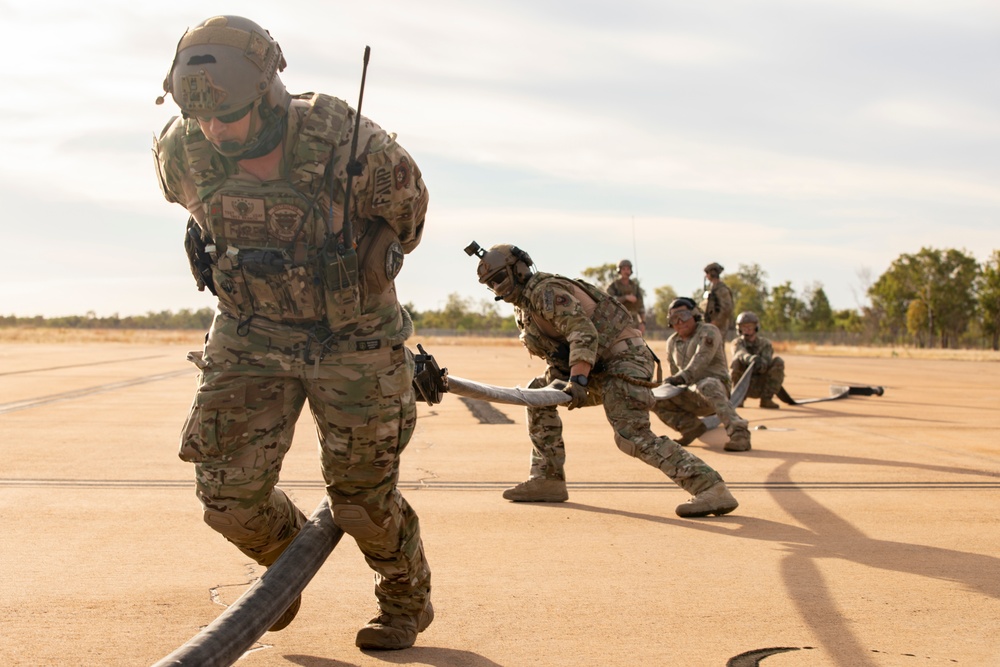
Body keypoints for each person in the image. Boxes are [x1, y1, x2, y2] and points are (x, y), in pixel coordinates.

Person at [152, 16, 432, 650]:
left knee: (361, 497)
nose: (215, 132)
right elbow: (196, 211)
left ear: (270, 90)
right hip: (250, 332)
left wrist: (370, 256)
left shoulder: (349, 142)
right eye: (203, 119)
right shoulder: (180, 148)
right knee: (226, 497)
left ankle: (405, 598)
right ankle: (285, 569)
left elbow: (407, 217)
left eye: (230, 116)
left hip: (353, 336)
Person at [466, 242, 739, 518]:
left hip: (623, 361)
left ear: (519, 270)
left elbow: (583, 333)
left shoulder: (545, 291)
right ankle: (547, 479)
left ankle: (710, 487)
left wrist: (578, 380)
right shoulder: (525, 306)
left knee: (631, 435)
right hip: (597, 366)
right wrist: (569, 377)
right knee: (537, 393)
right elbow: (558, 350)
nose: (497, 288)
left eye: (499, 279)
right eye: (490, 284)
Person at [652, 297, 752, 451]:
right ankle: (690, 427)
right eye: (674, 318)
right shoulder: (672, 342)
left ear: (694, 314)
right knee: (652, 397)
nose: (679, 321)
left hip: (716, 389)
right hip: (690, 394)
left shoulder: (709, 331)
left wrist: (681, 377)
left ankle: (740, 433)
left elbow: (701, 359)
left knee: (708, 384)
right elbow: (674, 373)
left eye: (683, 316)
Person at [731, 311, 785, 409]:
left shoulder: (765, 344)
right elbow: (740, 353)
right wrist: (750, 359)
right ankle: (738, 399)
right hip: (743, 384)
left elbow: (767, 361)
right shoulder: (737, 343)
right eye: (744, 327)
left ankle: (766, 399)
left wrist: (760, 363)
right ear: (739, 329)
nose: (747, 330)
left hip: (761, 382)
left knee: (778, 362)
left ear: (756, 327)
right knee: (736, 362)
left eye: (750, 327)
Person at [606, 259, 646, 334]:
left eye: (628, 269)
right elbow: (608, 300)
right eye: (623, 269)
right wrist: (625, 298)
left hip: (634, 322)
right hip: (617, 321)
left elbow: (641, 307)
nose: (626, 271)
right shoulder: (613, 286)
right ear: (619, 270)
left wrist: (643, 323)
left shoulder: (635, 287)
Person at [702, 262, 735, 341]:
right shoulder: (713, 288)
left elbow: (727, 309)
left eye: (707, 273)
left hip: (719, 326)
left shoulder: (722, 290)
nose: (706, 276)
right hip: (711, 324)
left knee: (717, 347)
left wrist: (717, 321)